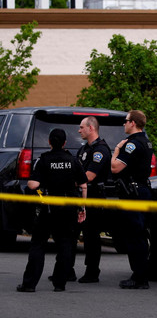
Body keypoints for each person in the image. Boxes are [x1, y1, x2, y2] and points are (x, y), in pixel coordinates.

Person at [17, 129, 87, 293]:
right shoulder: (73, 160)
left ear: (49, 142)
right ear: (64, 143)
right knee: (65, 244)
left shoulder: (44, 160)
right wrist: (82, 208)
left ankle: (29, 284)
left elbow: (33, 185)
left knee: (38, 244)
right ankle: (59, 283)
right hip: (68, 208)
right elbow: (83, 185)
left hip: (48, 208)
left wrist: (42, 188)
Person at [111, 110, 153, 289]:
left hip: (133, 193)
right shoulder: (146, 141)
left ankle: (139, 277)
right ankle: (140, 275)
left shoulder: (132, 144)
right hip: (141, 191)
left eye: (126, 121)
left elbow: (115, 168)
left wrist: (117, 150)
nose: (124, 124)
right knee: (140, 234)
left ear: (133, 123)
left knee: (134, 236)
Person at [75, 116, 112, 283]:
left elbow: (89, 176)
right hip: (80, 196)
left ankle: (92, 271)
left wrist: (67, 180)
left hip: (94, 196)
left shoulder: (100, 150)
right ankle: (66, 269)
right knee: (74, 233)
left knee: (91, 235)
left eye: (82, 127)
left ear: (91, 128)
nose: (79, 130)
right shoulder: (84, 150)